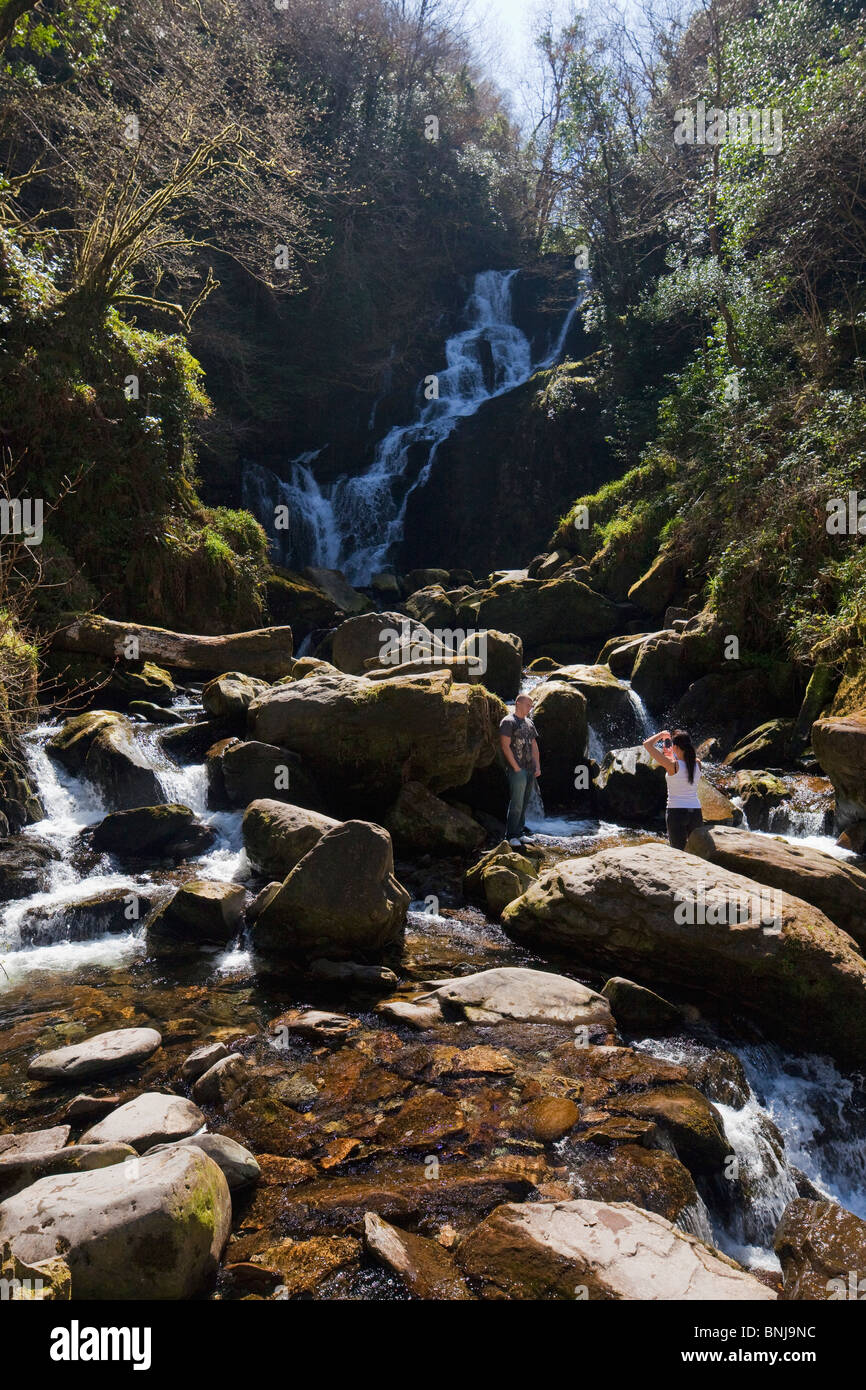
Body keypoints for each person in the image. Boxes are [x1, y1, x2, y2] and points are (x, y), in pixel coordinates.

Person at [643, 727, 703, 850]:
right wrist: (671, 755)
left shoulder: (672, 766)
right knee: (696, 852)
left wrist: (661, 734)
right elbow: (685, 763)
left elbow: (647, 745)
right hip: (696, 812)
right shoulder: (697, 764)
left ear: (675, 747)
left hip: (676, 813)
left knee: (678, 852)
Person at [499, 694, 541, 846]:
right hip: (517, 769)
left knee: (524, 802)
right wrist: (515, 767)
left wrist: (538, 765)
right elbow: (504, 745)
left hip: (529, 768)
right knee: (516, 802)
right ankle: (511, 837)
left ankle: (520, 832)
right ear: (518, 703)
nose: (530, 708)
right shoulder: (508, 722)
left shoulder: (529, 722)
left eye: (531, 706)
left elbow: (534, 745)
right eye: (528, 705)